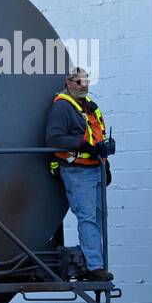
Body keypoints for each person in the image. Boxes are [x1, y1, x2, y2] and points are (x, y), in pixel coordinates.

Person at [46, 67, 115, 281]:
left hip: (95, 168)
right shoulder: (62, 107)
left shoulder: (89, 107)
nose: (83, 86)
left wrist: (105, 162)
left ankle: (96, 263)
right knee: (87, 218)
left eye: (86, 82)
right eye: (79, 82)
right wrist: (84, 146)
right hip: (77, 170)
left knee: (98, 218)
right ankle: (94, 267)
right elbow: (54, 139)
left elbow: (97, 137)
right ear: (68, 83)